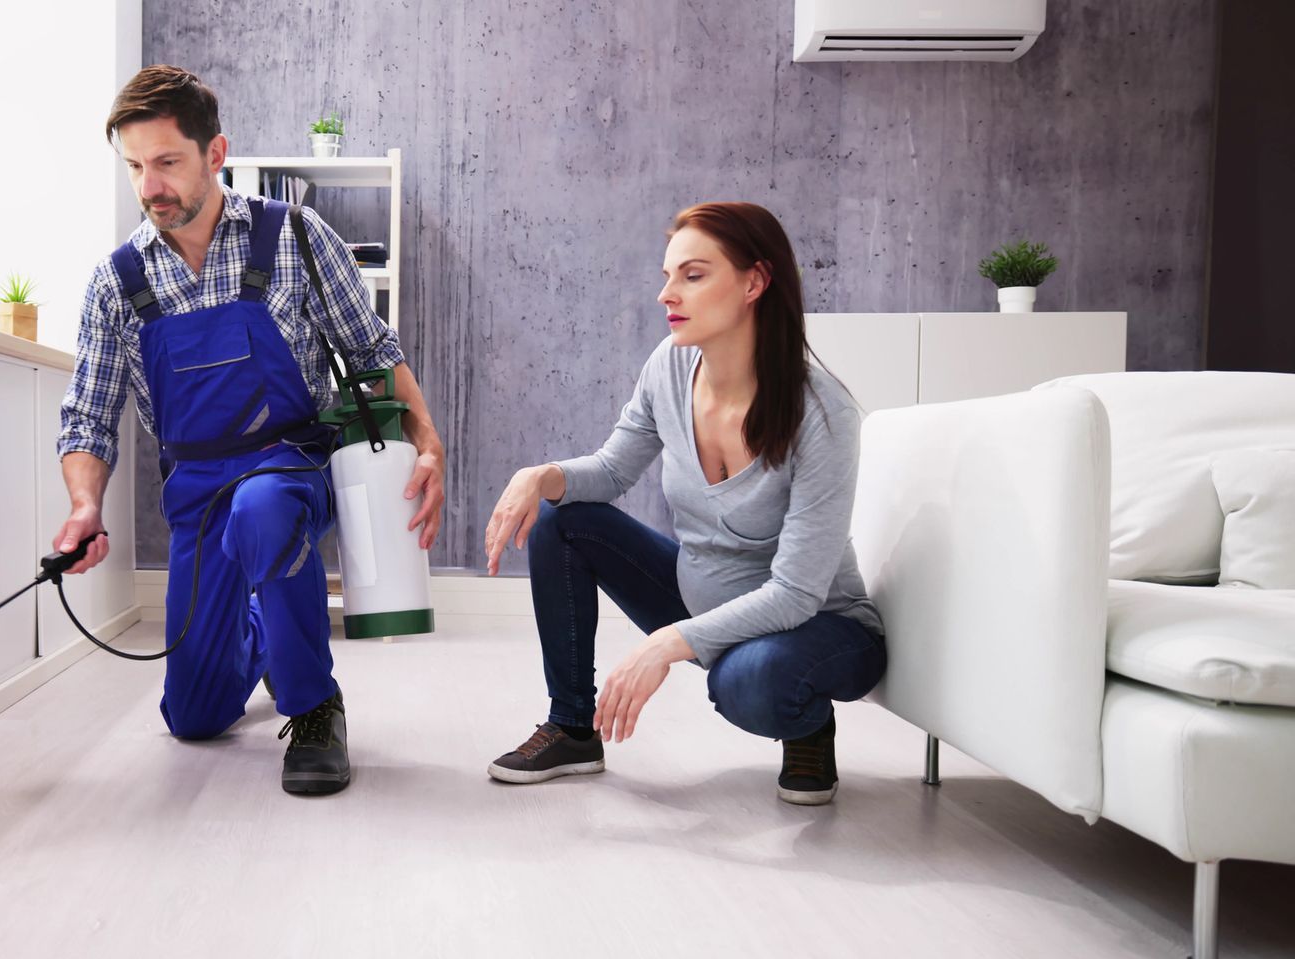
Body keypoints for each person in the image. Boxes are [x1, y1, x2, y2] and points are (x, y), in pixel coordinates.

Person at [53, 66, 446, 796]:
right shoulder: (117, 281)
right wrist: (84, 506)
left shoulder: (294, 235)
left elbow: (374, 352)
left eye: (168, 162)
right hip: (196, 489)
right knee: (196, 717)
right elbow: (88, 413)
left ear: (215, 153)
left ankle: (314, 705)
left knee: (264, 512)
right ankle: (265, 627)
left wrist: (429, 442)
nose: (151, 186)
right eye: (135, 166)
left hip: (290, 465)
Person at [482, 202, 884, 805]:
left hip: (819, 628)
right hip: (703, 597)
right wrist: (539, 476)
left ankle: (807, 721)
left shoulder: (822, 414)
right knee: (564, 523)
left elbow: (798, 593)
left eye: (693, 275)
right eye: (667, 276)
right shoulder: (669, 367)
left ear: (754, 282)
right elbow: (614, 470)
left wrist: (665, 643)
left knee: (749, 683)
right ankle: (571, 727)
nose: (668, 293)